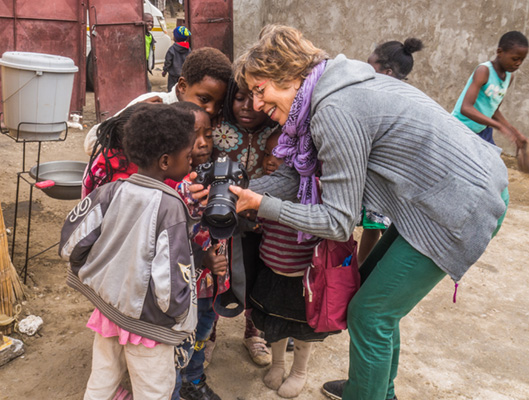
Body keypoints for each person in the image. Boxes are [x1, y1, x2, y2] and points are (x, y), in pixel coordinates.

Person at [189, 25, 510, 400]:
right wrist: (238, 193)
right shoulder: (328, 86)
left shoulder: (334, 110)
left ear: (289, 76)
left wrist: (263, 205)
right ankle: (373, 389)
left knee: (370, 315)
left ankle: (367, 392)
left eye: (260, 91)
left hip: (456, 206)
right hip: (437, 197)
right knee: (373, 306)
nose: (256, 105)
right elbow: (298, 174)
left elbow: (338, 221)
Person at [59, 103, 198, 399]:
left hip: (108, 313)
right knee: (154, 391)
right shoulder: (171, 208)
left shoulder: (110, 191)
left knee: (102, 382)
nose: (192, 160)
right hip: (149, 328)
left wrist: (92, 272)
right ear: (165, 161)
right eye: (187, 155)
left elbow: (72, 242)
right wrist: (177, 318)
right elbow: (172, 285)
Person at [247, 129, 328, 398]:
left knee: (303, 332)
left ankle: (299, 372)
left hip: (302, 280)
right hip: (272, 274)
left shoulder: (316, 192)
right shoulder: (263, 191)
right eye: (269, 153)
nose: (271, 161)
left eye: (282, 157)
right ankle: (279, 364)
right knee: (276, 326)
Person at [207, 77, 279, 368]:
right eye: (239, 98)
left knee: (254, 274)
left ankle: (253, 332)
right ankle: (207, 333)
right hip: (220, 219)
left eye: (255, 99)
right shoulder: (217, 128)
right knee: (215, 277)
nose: (247, 107)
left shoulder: (276, 133)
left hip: (260, 220)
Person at [84, 47, 232, 156]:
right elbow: (91, 143)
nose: (211, 109)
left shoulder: (215, 121)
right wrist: (131, 118)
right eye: (204, 99)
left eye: (219, 104)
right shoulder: (152, 106)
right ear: (182, 86)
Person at [357, 38, 424, 266]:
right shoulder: (403, 93)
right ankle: (362, 270)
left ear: (386, 72)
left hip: (391, 173)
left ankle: (369, 272)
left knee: (384, 224)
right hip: (394, 173)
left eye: (370, 65)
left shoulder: (387, 98)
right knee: (374, 224)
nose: (366, 69)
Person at [452, 31, 528, 149]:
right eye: (515, 59)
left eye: (522, 60)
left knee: (494, 163)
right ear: (499, 52)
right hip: (460, 129)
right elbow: (466, 108)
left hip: (482, 131)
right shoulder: (484, 71)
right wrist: (499, 126)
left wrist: (513, 131)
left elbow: (494, 110)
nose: (518, 63)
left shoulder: (509, 77)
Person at [163, 26, 192, 92]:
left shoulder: (172, 49)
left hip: (173, 75)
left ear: (175, 38)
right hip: (184, 75)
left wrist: (165, 71)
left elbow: (168, 62)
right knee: (183, 90)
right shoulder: (188, 49)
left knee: (172, 90)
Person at [144, 13, 156, 92]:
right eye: (148, 21)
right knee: (148, 87)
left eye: (152, 22)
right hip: (141, 63)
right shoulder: (142, 35)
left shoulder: (150, 36)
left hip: (146, 63)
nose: (150, 24)